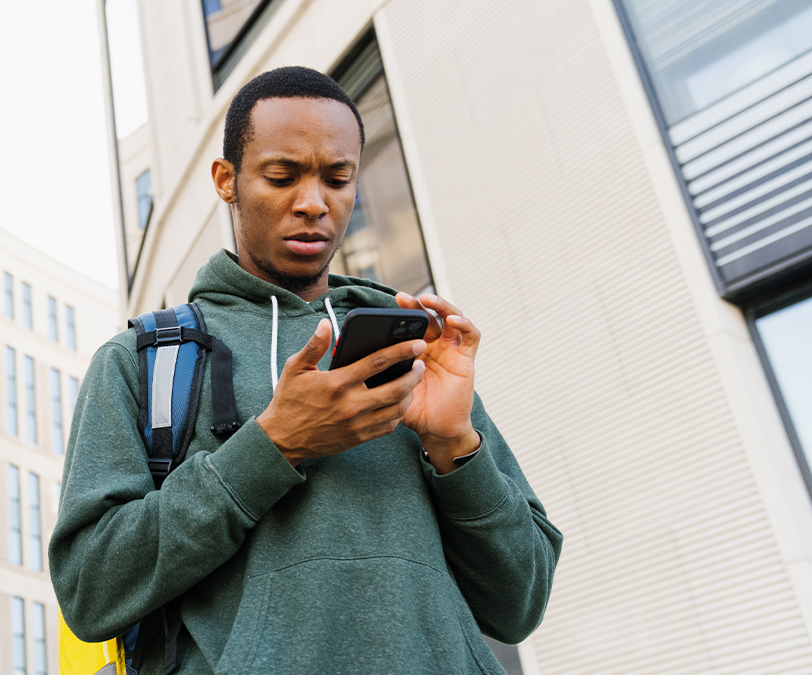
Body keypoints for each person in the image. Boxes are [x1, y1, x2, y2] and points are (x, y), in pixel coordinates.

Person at [50, 65, 562, 674]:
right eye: (282, 176)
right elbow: (89, 588)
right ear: (226, 180)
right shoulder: (145, 362)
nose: (314, 203)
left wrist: (455, 445)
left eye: (338, 178)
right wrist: (273, 446)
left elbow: (520, 604)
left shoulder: (412, 348)